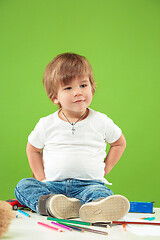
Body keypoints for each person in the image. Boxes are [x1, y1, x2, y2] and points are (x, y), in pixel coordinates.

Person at [15, 53, 130, 223]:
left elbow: (119, 143)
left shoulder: (101, 121)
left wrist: (106, 169)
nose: (78, 92)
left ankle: (94, 205)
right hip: (52, 186)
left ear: (92, 87)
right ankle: (52, 204)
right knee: (23, 186)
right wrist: (40, 176)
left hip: (89, 184)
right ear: (55, 97)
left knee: (101, 193)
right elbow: (33, 149)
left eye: (83, 85)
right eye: (68, 88)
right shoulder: (46, 124)